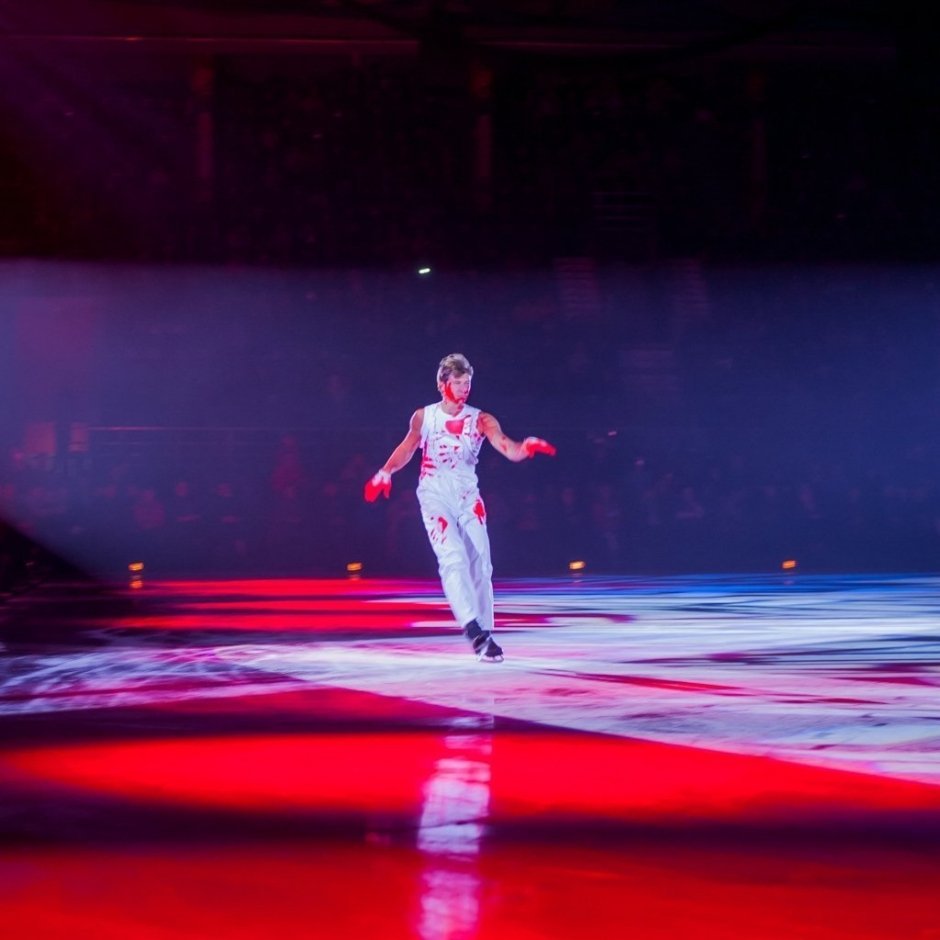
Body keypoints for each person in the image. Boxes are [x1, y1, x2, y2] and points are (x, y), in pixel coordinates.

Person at [364, 353, 556, 662]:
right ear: (442, 384)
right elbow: (408, 447)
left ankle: (486, 631)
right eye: (458, 383)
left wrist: (525, 448)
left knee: (481, 563)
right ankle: (474, 632)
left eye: (468, 383)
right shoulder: (424, 417)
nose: (465, 388)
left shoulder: (481, 419)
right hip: (434, 492)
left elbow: (506, 446)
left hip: (468, 494)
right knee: (453, 558)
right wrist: (385, 471)